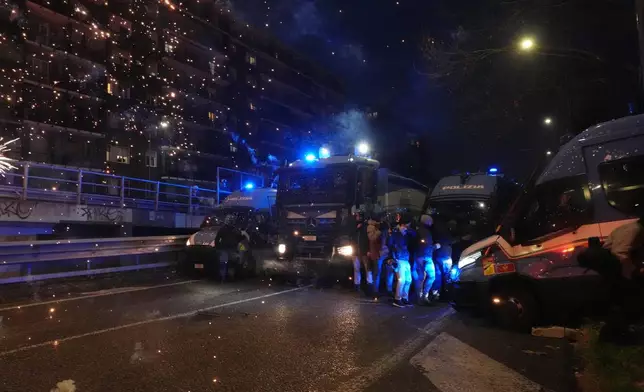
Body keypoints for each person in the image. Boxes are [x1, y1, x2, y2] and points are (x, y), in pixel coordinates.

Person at [388, 217, 415, 307]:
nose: (406, 227)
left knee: (408, 280)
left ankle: (405, 298)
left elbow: (414, 237)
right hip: (398, 259)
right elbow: (390, 244)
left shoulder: (407, 235)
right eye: (406, 225)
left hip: (406, 258)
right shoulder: (395, 234)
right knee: (401, 280)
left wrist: (407, 232)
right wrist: (393, 258)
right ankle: (397, 299)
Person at [414, 214, 438, 304]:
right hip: (426, 256)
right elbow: (426, 245)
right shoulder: (426, 232)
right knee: (431, 276)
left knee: (421, 277)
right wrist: (435, 247)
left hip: (420, 256)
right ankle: (424, 296)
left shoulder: (418, 231)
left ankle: (420, 297)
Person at [214, 214, 243, 281]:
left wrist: (218, 247)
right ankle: (227, 277)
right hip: (228, 249)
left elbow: (217, 239)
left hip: (227, 249)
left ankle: (224, 277)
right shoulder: (233, 229)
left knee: (226, 263)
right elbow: (239, 238)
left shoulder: (226, 229)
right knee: (230, 263)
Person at [352, 210, 370, 293]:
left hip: (364, 250)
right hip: (356, 250)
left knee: (367, 268)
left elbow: (367, 239)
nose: (356, 217)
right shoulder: (355, 226)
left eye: (358, 216)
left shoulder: (366, 226)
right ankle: (357, 285)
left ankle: (369, 285)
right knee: (356, 268)